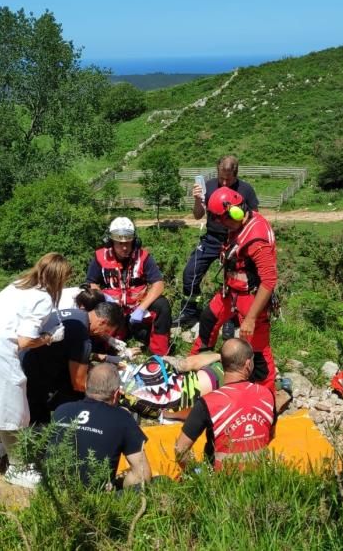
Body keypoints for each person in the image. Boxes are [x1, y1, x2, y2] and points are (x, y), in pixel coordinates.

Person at [0, 252, 72, 487]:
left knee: (0, 397)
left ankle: (0, 443)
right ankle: (18, 468)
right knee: (13, 406)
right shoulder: (42, 298)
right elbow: (25, 342)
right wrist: (49, 337)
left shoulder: (19, 285)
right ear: (59, 278)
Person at [188, 186, 279, 392]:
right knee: (209, 320)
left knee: (258, 350)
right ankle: (197, 367)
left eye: (222, 219)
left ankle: (265, 394)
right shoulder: (239, 225)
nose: (220, 224)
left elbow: (269, 281)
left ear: (235, 213)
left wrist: (251, 318)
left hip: (251, 298)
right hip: (231, 292)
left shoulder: (257, 239)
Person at [179, 155, 260, 334]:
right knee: (190, 273)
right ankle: (190, 312)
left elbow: (254, 218)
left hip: (235, 241)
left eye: (228, 178)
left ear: (235, 174)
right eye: (221, 177)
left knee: (233, 282)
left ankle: (230, 318)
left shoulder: (246, 189)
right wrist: (197, 200)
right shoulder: (208, 186)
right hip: (211, 239)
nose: (224, 182)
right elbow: (198, 215)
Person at [23, 289, 127, 425]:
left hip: (25, 358)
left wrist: (108, 360)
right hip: (31, 377)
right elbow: (78, 384)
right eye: (107, 331)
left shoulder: (76, 315)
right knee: (40, 427)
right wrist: (106, 395)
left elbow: (76, 357)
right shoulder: (82, 338)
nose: (103, 335)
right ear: (102, 322)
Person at [175, 339, 276, 471]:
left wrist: (197, 474)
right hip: (260, 475)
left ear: (222, 363)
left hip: (220, 482)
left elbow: (180, 449)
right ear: (248, 364)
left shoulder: (208, 403)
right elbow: (270, 435)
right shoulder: (267, 395)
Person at [52, 363, 152, 488]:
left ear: (86, 386)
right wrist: (120, 484)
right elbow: (142, 475)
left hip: (53, 491)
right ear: (116, 394)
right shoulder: (122, 418)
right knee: (159, 480)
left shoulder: (61, 410)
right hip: (95, 499)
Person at [86, 217, 173, 356]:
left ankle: (159, 354)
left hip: (137, 311)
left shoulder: (143, 256)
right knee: (90, 304)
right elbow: (90, 283)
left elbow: (158, 284)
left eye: (128, 243)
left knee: (162, 304)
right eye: (120, 244)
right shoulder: (100, 257)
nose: (125, 247)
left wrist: (141, 308)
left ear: (134, 241)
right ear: (111, 242)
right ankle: (103, 350)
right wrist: (104, 298)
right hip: (113, 312)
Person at [120, 352, 224, 420]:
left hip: (200, 398)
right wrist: (220, 355)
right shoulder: (153, 362)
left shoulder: (130, 402)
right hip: (213, 378)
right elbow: (186, 364)